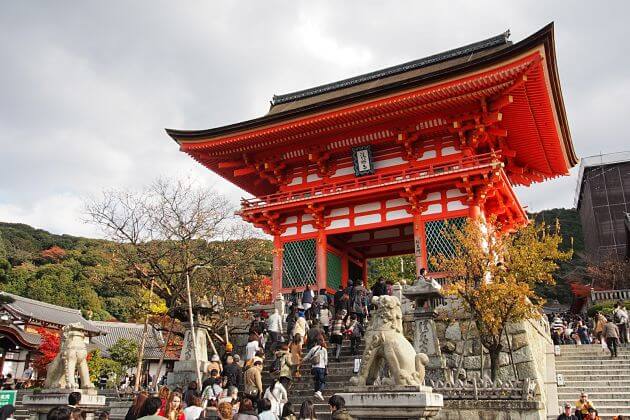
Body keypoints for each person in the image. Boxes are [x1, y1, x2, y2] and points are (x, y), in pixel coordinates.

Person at [304, 336, 328, 401]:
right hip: (321, 367)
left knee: (317, 381)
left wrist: (302, 360)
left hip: (314, 368)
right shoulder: (324, 349)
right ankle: (319, 392)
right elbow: (325, 359)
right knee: (322, 381)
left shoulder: (313, 349)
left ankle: (316, 393)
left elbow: (307, 357)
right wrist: (326, 367)